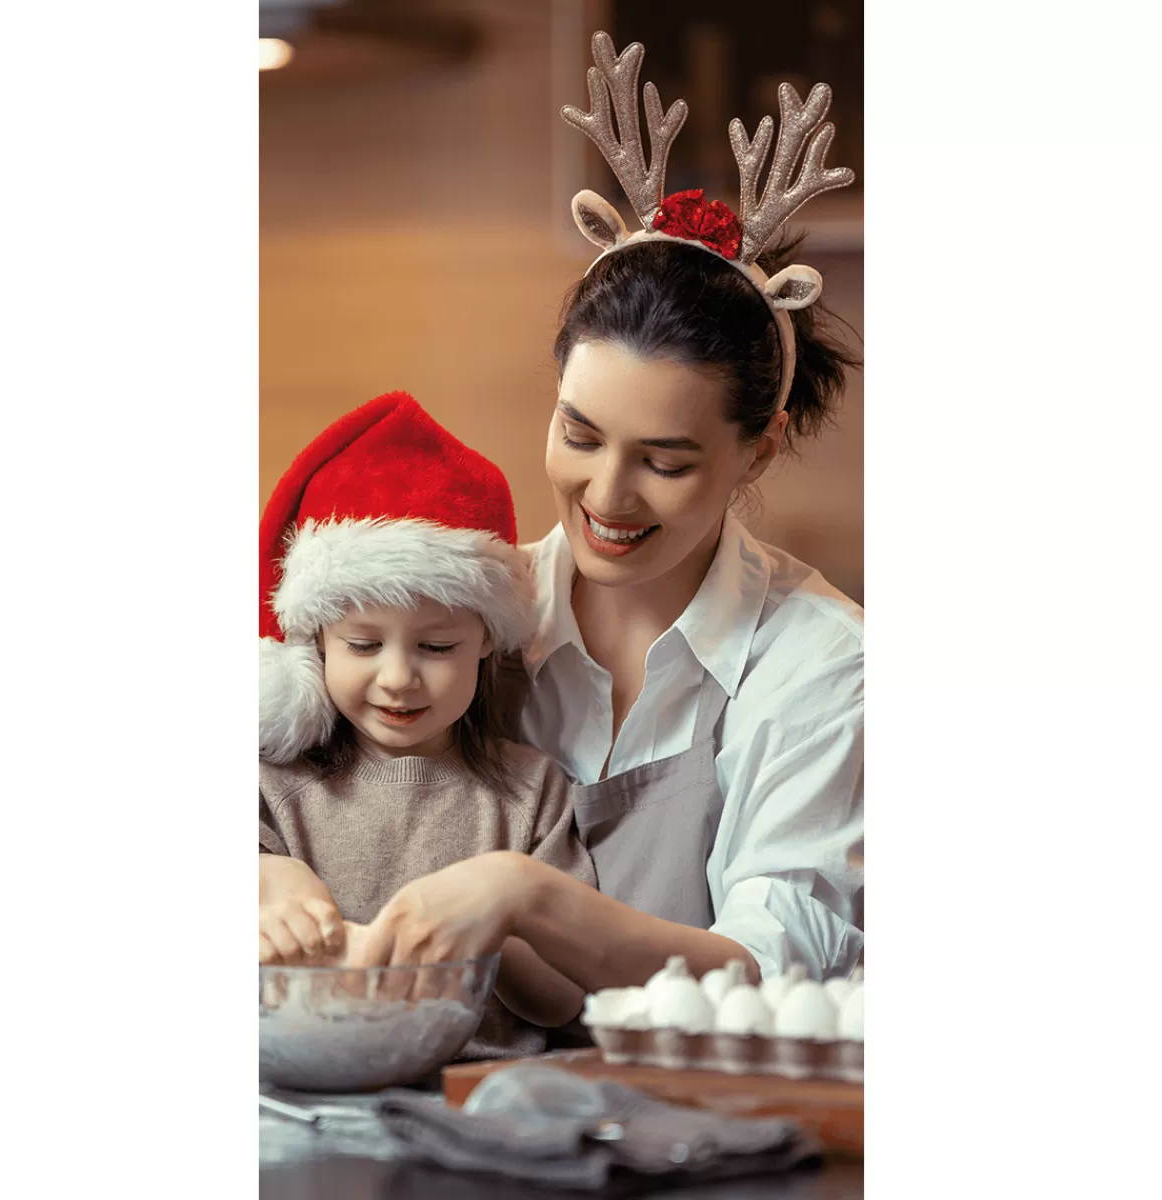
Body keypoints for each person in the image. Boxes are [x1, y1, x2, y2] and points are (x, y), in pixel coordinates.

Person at [346, 34, 863, 990]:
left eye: (665, 462)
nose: (608, 497)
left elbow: (775, 968)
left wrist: (527, 895)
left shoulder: (822, 668)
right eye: (579, 435)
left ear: (760, 448)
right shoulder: (460, 617)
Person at [256, 392, 597, 1059]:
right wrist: (269, 885)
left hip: (481, 1090)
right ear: (316, 642)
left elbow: (563, 999)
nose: (398, 678)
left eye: (437, 647)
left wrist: (500, 922)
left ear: (485, 642)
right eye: (363, 645)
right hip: (306, 1083)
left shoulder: (531, 792)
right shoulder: (274, 783)